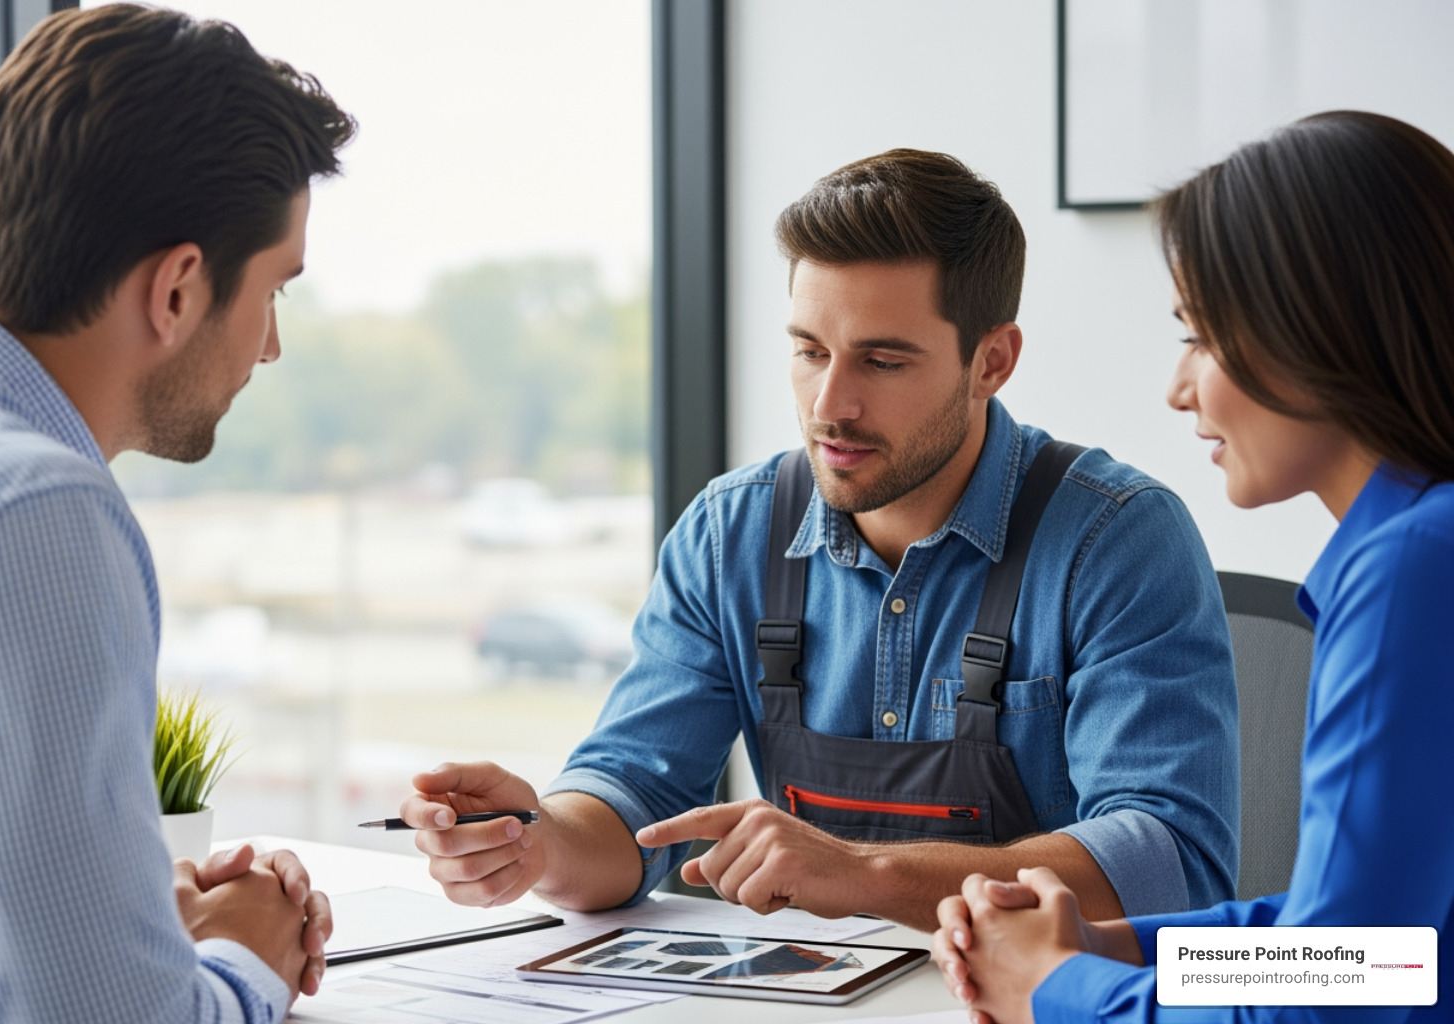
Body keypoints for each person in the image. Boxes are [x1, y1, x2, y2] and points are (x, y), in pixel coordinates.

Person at [402, 149, 1240, 932]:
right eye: (809, 351)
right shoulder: (729, 534)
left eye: (883, 362)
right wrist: (536, 842)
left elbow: (1173, 863)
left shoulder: (1115, 539)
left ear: (991, 362)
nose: (829, 405)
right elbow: (637, 796)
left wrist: (866, 874)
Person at [932, 110, 1454, 1024]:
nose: (1179, 390)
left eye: (1199, 338)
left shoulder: (1412, 570)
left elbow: (1339, 996)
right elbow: (1371, 946)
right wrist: (1111, 950)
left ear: (1313, 329)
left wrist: (1055, 991)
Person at [0, 6, 355, 1022]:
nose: (269, 346)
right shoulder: (33, 515)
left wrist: (130, 926)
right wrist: (249, 959)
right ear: (178, 290)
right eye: (274, 291)